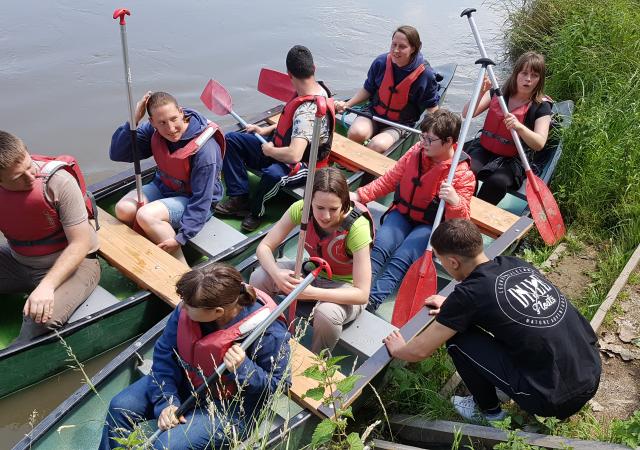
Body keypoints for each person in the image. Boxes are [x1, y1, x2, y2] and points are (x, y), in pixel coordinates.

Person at [384, 219, 601, 423]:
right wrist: (453, 305)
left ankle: (488, 412)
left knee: (458, 339)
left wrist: (399, 349)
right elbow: (495, 299)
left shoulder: (469, 294)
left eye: (441, 260)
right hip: (591, 373)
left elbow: (419, 352)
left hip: (553, 400)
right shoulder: (514, 263)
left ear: (453, 262)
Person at [99, 263, 291, 450]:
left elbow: (277, 386)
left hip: (232, 407)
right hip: (187, 382)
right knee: (120, 407)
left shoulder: (269, 332)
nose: (182, 307)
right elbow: (164, 356)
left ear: (217, 312)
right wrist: (168, 402)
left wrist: (243, 369)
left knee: (167, 445)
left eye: (189, 306)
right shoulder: (188, 310)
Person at [352, 109, 475, 312]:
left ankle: (372, 301)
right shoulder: (416, 152)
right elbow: (390, 180)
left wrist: (454, 201)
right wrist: (360, 195)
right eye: (423, 136)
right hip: (403, 214)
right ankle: (359, 293)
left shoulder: (462, 174)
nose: (423, 142)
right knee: (378, 248)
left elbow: (460, 224)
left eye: (430, 139)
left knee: (401, 259)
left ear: (448, 141)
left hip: (430, 226)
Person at [250, 167, 373, 353]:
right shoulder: (301, 209)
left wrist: (311, 292)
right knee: (259, 277)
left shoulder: (357, 228)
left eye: (333, 209)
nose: (325, 216)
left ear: (345, 203)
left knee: (326, 315)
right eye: (319, 207)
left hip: (344, 288)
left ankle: (316, 362)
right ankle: (265, 338)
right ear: (310, 201)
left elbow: (362, 294)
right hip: (312, 274)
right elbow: (264, 248)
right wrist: (277, 274)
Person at [214, 45, 335, 232]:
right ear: (314, 68)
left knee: (273, 175)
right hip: (280, 145)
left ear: (288, 73)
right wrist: (265, 130)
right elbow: (291, 125)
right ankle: (239, 196)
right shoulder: (311, 89)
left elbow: (295, 155)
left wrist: (270, 151)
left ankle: (256, 213)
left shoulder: (308, 111)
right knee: (232, 140)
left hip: (305, 163)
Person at [0, 131, 100, 344]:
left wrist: (47, 286)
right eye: (18, 177)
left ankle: (15, 359)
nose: (31, 176)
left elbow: (80, 244)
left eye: (29, 165)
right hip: (19, 262)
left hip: (78, 265)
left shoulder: (59, 183)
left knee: (39, 320)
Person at [110, 91, 225, 263]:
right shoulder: (154, 131)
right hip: (164, 187)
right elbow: (118, 153)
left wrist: (181, 238)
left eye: (173, 119)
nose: (170, 129)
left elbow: (202, 200)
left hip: (193, 199)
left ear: (181, 112)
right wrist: (133, 119)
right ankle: (140, 249)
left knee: (146, 215)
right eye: (162, 123)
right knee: (123, 209)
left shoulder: (205, 151)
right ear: (152, 122)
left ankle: (180, 268)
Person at [462, 51, 553, 205]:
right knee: (468, 172)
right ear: (516, 74)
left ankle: (478, 214)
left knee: (497, 182)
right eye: (524, 73)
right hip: (484, 148)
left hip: (513, 158)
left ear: (540, 80)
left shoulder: (541, 107)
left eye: (534, 75)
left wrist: (519, 127)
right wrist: (481, 92)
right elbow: (467, 114)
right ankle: (464, 204)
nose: (528, 79)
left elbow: (539, 143)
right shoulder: (498, 93)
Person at [334, 25, 441, 153]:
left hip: (400, 124)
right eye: (393, 45)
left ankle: (367, 169)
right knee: (356, 133)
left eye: (402, 46)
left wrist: (432, 133)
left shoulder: (426, 75)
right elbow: (367, 89)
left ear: (413, 48)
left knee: (377, 145)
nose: (396, 50)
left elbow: (431, 108)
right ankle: (350, 166)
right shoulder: (381, 62)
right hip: (374, 114)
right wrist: (346, 104)